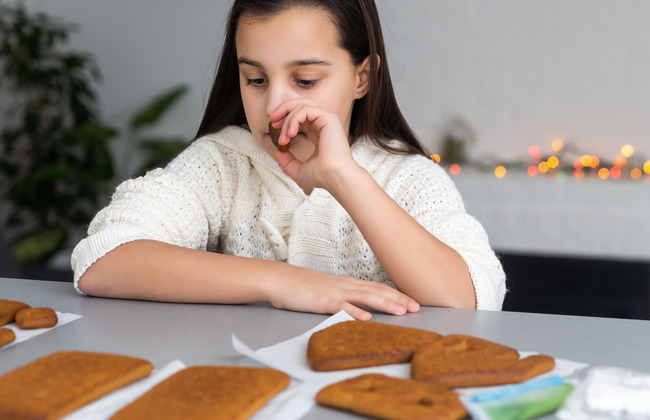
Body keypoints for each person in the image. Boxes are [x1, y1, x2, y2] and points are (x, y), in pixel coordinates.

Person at [71, 0, 506, 321]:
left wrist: (343, 177)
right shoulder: (223, 164)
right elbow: (102, 259)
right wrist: (281, 281)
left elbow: (471, 298)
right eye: (255, 79)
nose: (275, 104)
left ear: (362, 77)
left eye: (305, 79)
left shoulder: (409, 178)